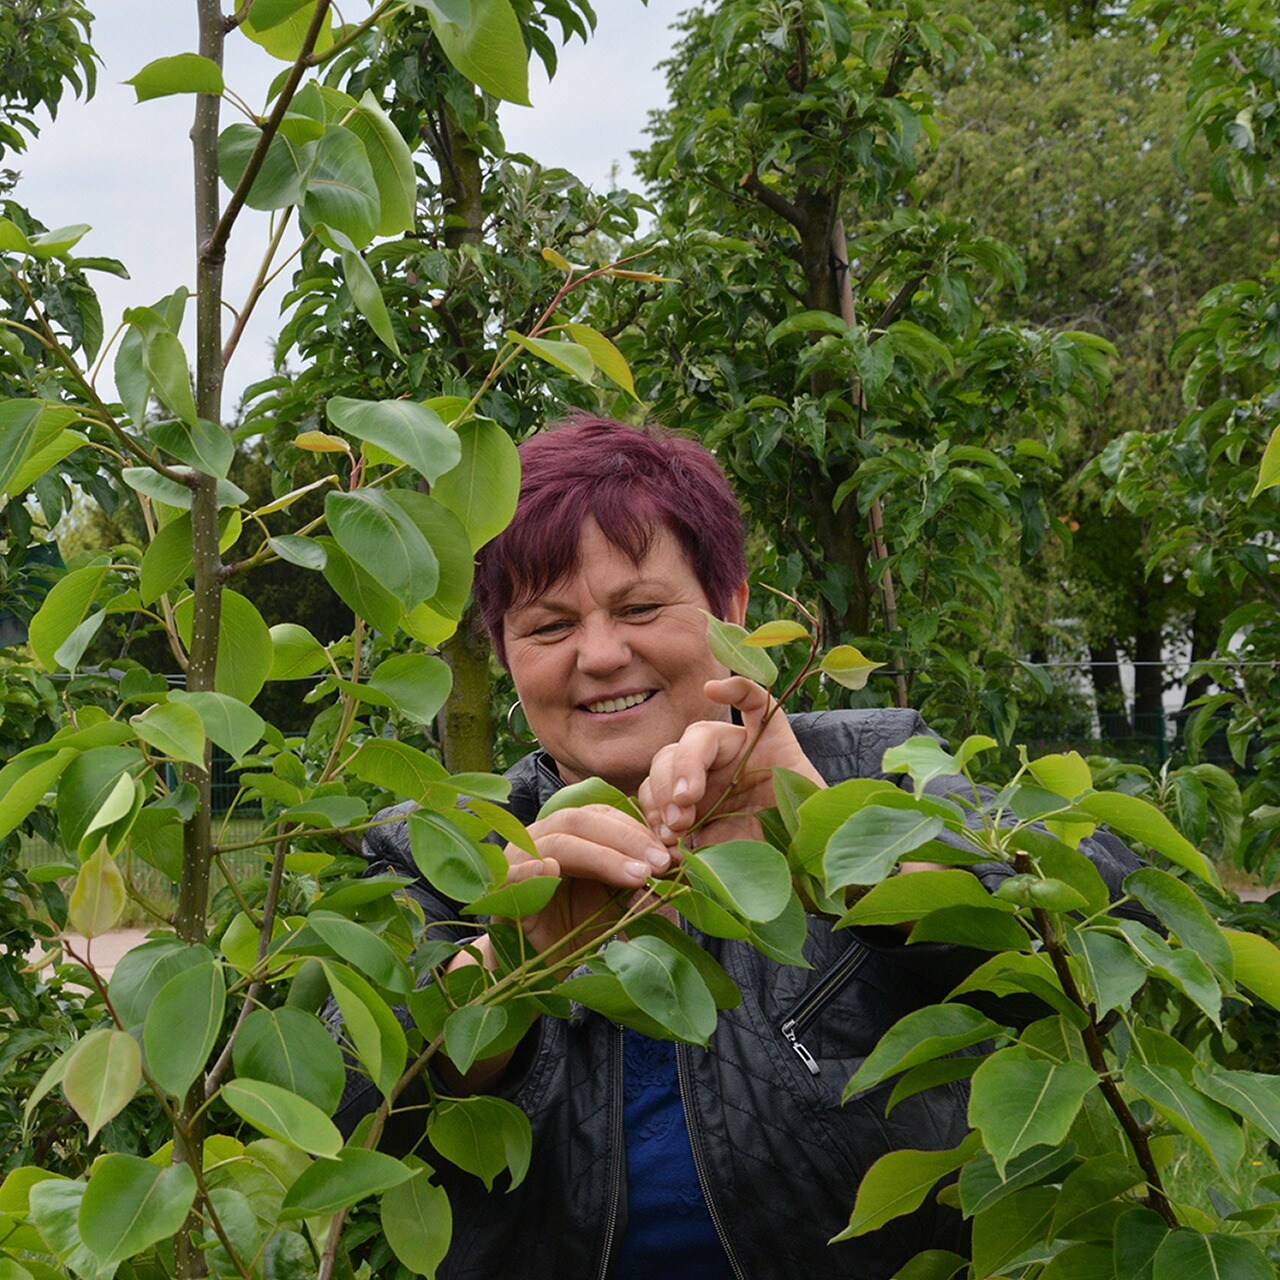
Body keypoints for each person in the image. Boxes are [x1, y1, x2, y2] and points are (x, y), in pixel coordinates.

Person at [340, 415, 1146, 1279]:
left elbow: (1110, 915)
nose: (601, 655)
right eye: (548, 626)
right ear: (503, 652)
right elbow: (347, 1096)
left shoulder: (875, 767)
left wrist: (836, 844)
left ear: (733, 610)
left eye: (641, 607)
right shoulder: (449, 850)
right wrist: (513, 958)